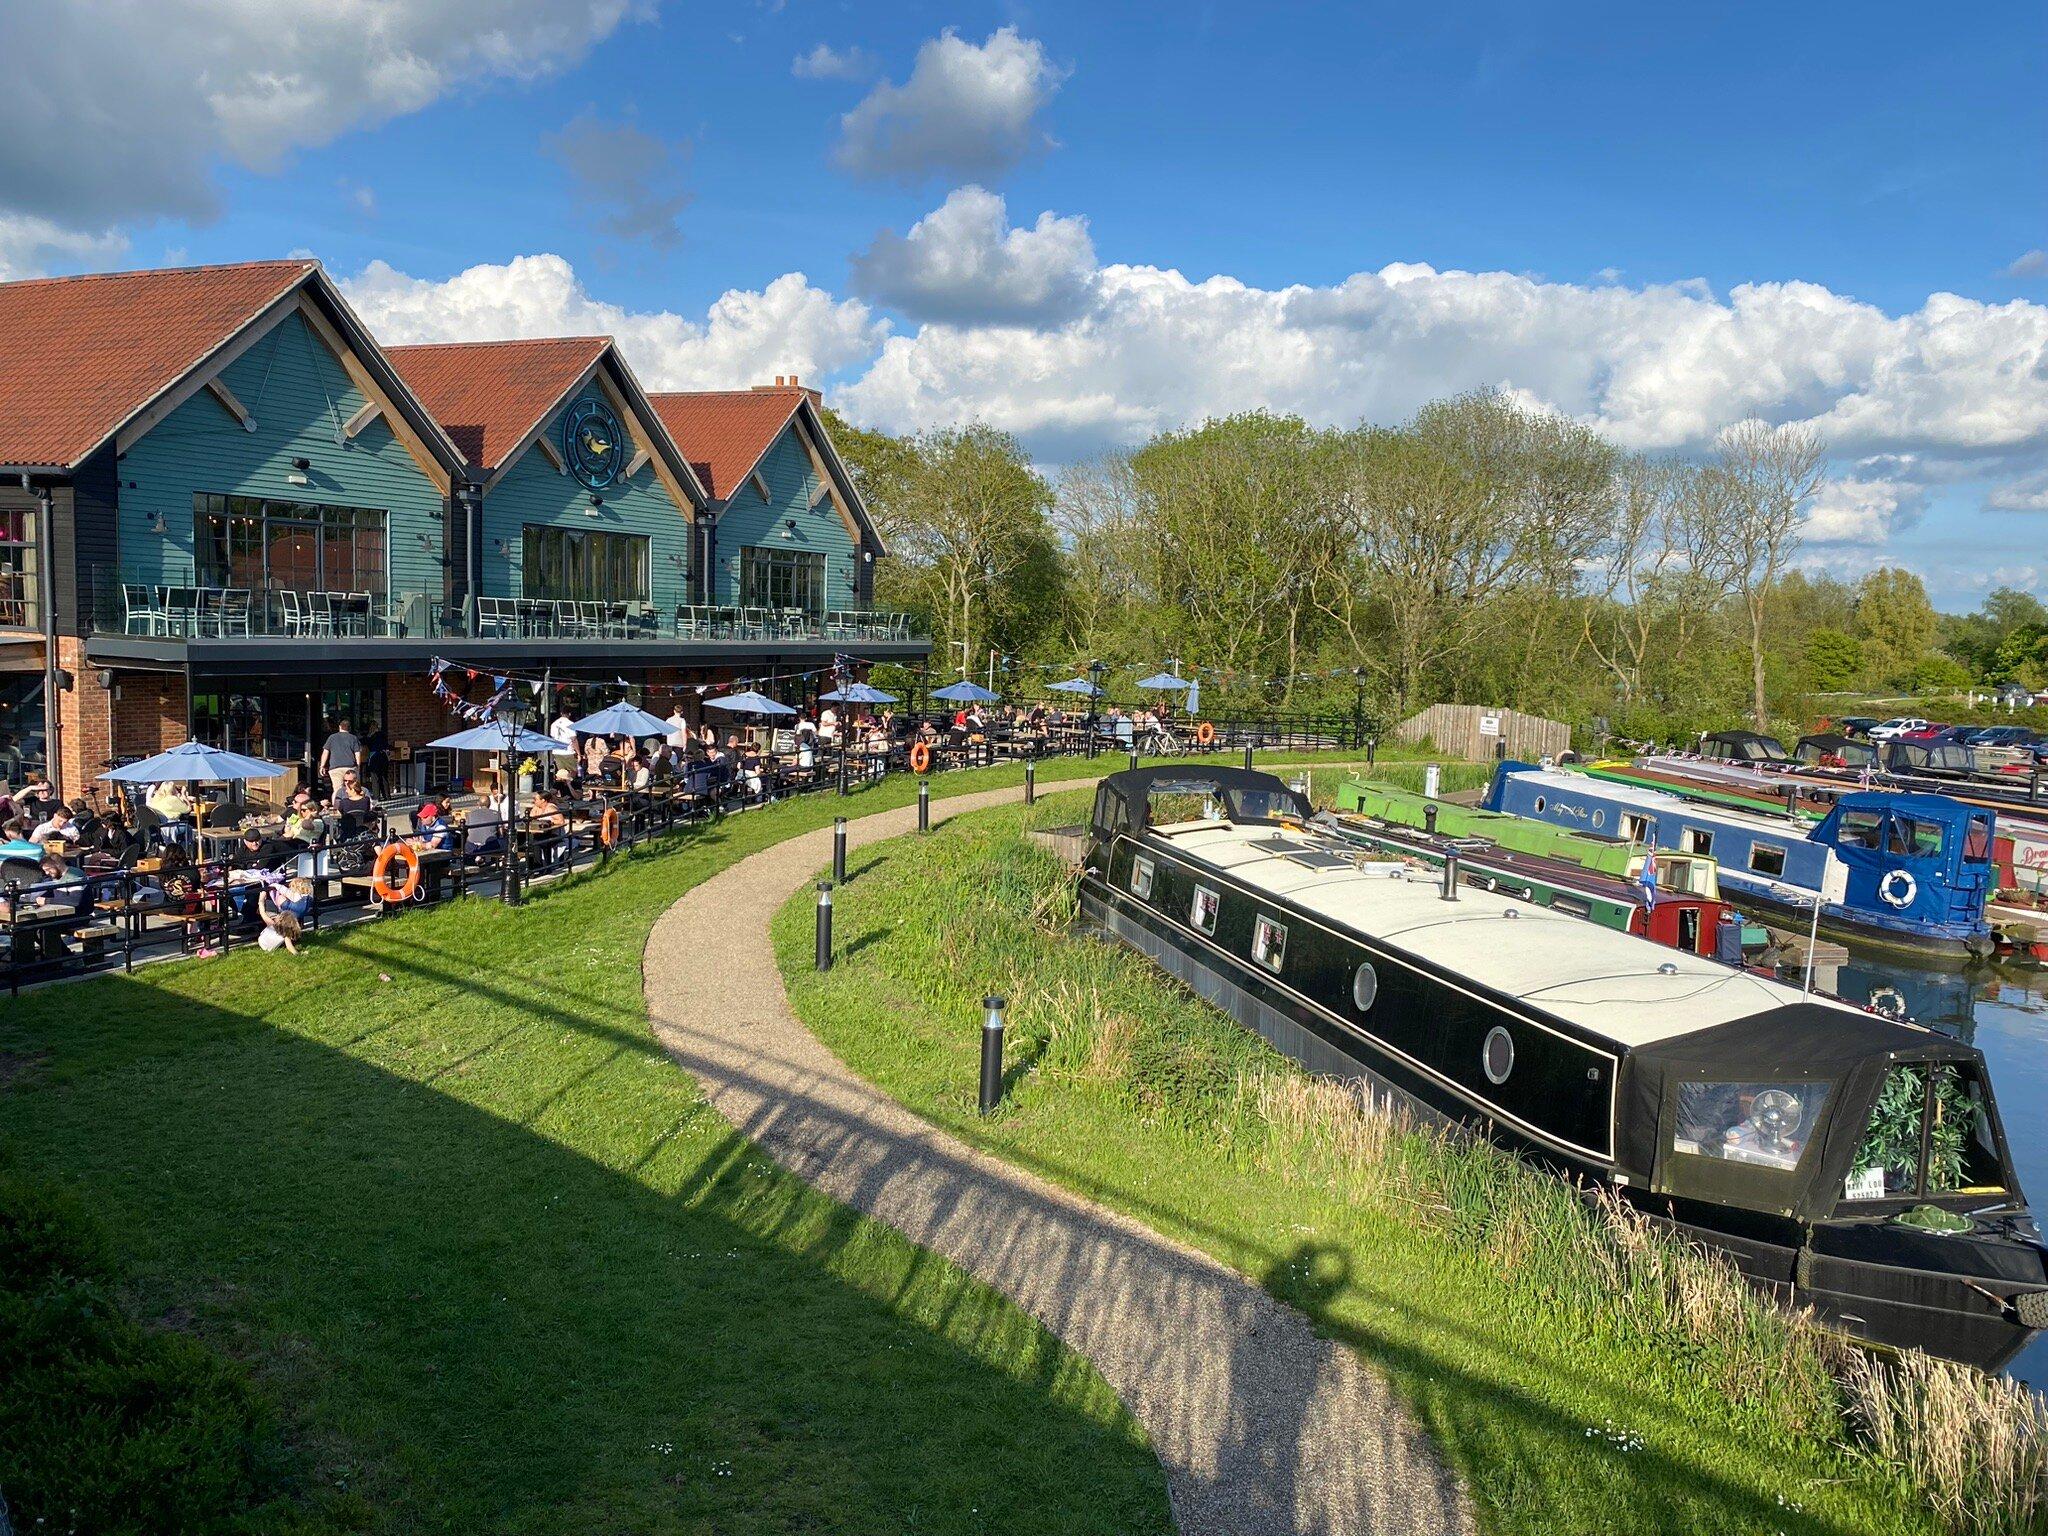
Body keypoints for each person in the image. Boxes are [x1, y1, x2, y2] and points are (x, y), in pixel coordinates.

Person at [317, 717, 361, 798]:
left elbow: (325, 752)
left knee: (337, 790)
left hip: (335, 768)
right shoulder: (353, 738)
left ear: (340, 727)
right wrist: (358, 766)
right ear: (349, 728)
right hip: (350, 767)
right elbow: (357, 753)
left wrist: (322, 766)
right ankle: (351, 805)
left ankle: (337, 807)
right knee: (352, 788)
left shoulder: (332, 737)